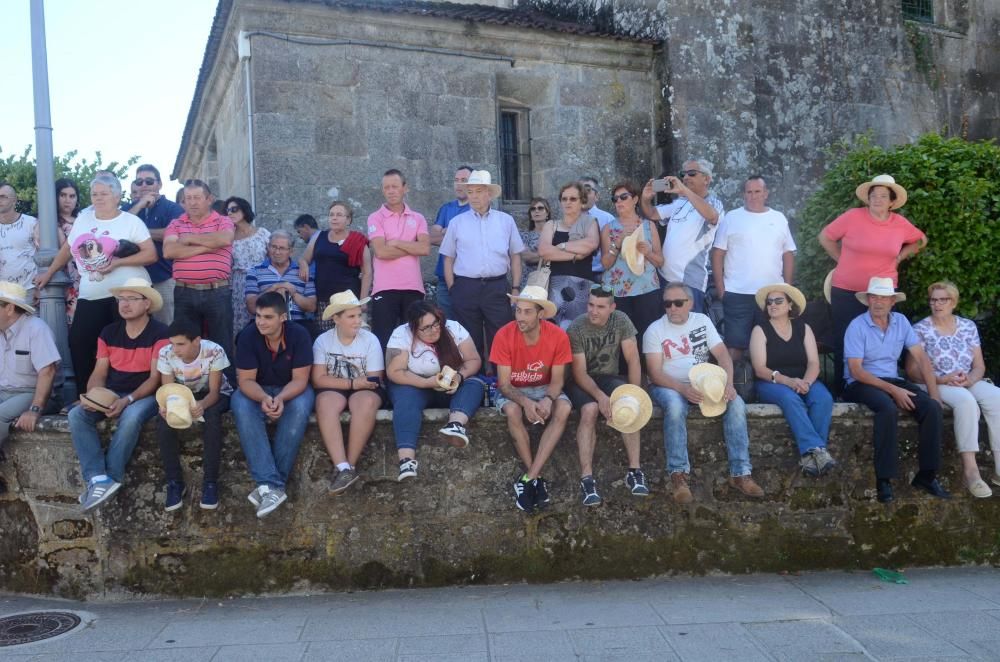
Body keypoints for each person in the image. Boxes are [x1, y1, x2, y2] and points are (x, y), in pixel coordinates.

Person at [35, 174, 157, 397]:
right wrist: (49, 272)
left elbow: (151, 255)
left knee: (124, 344)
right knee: (80, 342)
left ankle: (124, 395)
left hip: (126, 294)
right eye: (94, 194)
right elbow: (67, 250)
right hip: (91, 293)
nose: (99, 198)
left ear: (117, 196)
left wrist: (118, 262)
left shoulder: (131, 222)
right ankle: (87, 396)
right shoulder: (84, 219)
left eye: (104, 194)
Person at [644, 281, 764, 503]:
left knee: (736, 403)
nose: (672, 308)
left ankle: (741, 473)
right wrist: (682, 389)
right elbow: (654, 372)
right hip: (668, 385)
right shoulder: (655, 330)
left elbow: (723, 356)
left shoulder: (703, 321)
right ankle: (678, 475)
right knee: (675, 405)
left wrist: (728, 384)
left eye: (678, 303)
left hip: (704, 382)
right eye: (668, 304)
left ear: (689, 303)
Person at [842, 277, 947, 504]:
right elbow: (856, 371)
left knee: (931, 407)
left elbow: (922, 359)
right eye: (874, 297)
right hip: (860, 383)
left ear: (892, 301)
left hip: (892, 380)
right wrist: (893, 390)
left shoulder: (901, 322)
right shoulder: (857, 326)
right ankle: (884, 480)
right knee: (886, 407)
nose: (878, 302)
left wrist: (935, 394)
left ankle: (927, 475)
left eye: (883, 298)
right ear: (867, 300)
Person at [68, 278, 169, 512]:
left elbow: (155, 379)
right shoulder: (109, 332)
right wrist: (93, 396)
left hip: (145, 395)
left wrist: (127, 400)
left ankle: (112, 476)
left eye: (132, 298)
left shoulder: (160, 333)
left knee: (131, 416)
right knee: (76, 415)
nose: (125, 304)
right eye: (121, 299)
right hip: (114, 391)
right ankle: (97, 479)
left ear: (147, 304)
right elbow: (100, 371)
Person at [818, 175, 926, 394]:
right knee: (844, 341)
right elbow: (825, 237)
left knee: (884, 340)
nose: (877, 199)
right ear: (867, 198)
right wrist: (842, 260)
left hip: (883, 293)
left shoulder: (900, 223)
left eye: (883, 196)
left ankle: (886, 388)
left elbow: (921, 240)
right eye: (873, 195)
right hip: (847, 290)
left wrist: (899, 257)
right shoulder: (852, 217)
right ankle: (843, 391)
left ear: (892, 202)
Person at [909, 281, 1000, 498]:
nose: (937, 304)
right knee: (966, 401)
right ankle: (971, 471)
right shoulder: (920, 329)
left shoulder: (968, 326)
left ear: (954, 302)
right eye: (933, 300)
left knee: (997, 397)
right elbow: (912, 371)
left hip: (966, 380)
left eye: (943, 299)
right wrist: (942, 379)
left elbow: (979, 365)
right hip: (936, 382)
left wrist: (970, 379)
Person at [489, 286, 573, 512]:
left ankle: (528, 479)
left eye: (527, 312)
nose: (520, 317)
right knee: (513, 412)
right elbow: (504, 385)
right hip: (514, 389)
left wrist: (547, 399)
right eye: (518, 311)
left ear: (541, 314)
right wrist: (526, 403)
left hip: (544, 387)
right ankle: (535, 479)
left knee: (563, 409)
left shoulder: (558, 336)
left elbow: (557, 381)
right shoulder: (504, 334)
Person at [232, 291, 315, 518]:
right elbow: (245, 380)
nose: (261, 321)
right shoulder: (248, 335)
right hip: (257, 389)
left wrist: (280, 398)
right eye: (258, 316)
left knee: (299, 407)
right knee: (239, 403)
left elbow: (300, 380)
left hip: (290, 388)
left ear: (283, 318)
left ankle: (268, 486)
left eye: (268, 317)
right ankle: (273, 485)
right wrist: (263, 399)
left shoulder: (299, 335)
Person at [567, 285, 647, 505]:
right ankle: (587, 478)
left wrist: (635, 392)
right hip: (580, 381)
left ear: (612, 307)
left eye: (600, 307)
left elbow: (633, 359)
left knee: (628, 402)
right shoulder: (577, 327)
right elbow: (579, 373)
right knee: (590, 409)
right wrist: (601, 397)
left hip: (608, 376)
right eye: (591, 305)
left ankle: (635, 471)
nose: (593, 311)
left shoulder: (620, 320)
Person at [386, 301, 485, 481]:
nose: (434, 330)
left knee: (475, 384)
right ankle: (406, 460)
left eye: (435, 323)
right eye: (426, 328)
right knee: (405, 400)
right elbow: (395, 372)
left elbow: (473, 360)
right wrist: (426, 383)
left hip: (451, 385)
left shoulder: (454, 328)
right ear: (414, 330)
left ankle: (455, 425)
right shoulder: (401, 335)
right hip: (416, 384)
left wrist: (459, 377)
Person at [748, 284, 835, 476]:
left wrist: (806, 383)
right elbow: (760, 369)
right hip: (772, 381)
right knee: (790, 399)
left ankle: (810, 457)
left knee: (823, 399)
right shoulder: (759, 330)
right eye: (769, 302)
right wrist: (789, 381)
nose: (773, 305)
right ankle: (817, 450)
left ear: (790, 305)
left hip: (804, 378)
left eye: (778, 301)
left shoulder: (803, 328)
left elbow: (814, 362)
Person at [440, 169, 524, 363]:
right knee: (469, 338)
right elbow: (448, 258)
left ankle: (499, 384)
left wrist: (516, 287)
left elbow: (515, 256)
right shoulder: (456, 223)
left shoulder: (506, 221)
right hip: (466, 287)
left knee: (500, 337)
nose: (474, 196)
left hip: (497, 287)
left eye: (479, 191)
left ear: (489, 194)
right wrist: (453, 288)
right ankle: (474, 383)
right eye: (470, 192)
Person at [711, 176, 796, 360]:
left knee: (772, 346)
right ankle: (735, 387)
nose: (753, 196)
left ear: (766, 193)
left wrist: (787, 288)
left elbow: (788, 253)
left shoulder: (778, 218)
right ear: (744, 194)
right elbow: (718, 253)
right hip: (737, 293)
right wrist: (721, 289)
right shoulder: (732, 218)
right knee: (735, 346)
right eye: (749, 192)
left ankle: (769, 386)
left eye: (757, 191)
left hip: (771, 294)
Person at [312, 291, 385, 494]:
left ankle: (349, 467)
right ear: (336, 319)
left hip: (363, 389)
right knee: (325, 403)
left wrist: (355, 384)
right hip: (340, 387)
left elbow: (373, 380)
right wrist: (353, 383)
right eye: (351, 317)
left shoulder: (370, 340)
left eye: (359, 315)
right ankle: (341, 465)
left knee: (365, 403)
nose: (358, 321)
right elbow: (318, 379)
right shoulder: (323, 341)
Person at [155, 319, 233, 511]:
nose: (175, 349)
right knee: (163, 422)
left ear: (197, 340)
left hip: (216, 394)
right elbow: (169, 390)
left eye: (181, 344)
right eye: (172, 343)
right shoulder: (165, 353)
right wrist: (165, 406)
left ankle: (210, 483)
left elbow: (214, 392)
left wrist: (202, 405)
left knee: (212, 418)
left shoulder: (214, 351)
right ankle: (174, 482)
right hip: (181, 394)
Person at [163, 179, 235, 382]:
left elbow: (225, 239)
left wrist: (188, 240)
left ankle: (226, 390)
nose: (192, 203)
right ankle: (189, 386)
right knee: (185, 343)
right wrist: (207, 246)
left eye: (197, 198)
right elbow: (169, 250)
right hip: (185, 291)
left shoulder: (222, 221)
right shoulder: (176, 224)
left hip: (217, 291)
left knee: (221, 344)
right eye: (188, 198)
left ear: (209, 199)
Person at [640, 159, 724, 314]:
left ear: (707, 179)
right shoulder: (679, 203)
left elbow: (713, 216)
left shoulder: (714, 203)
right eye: (682, 174)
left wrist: (685, 191)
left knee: (689, 332)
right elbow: (652, 213)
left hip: (690, 281)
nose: (685, 178)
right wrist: (645, 199)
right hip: (665, 278)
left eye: (691, 173)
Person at [367, 169, 430, 346]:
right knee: (383, 339)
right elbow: (381, 252)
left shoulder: (418, 218)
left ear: (405, 188)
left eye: (395, 186)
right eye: (386, 187)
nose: (391, 191)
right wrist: (412, 247)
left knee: (414, 340)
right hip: (384, 289)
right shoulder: (375, 218)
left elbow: (425, 248)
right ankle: (383, 375)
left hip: (413, 288)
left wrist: (395, 242)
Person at [0, 282, 61, 456]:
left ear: (10, 308)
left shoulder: (36, 328)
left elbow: (48, 371)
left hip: (31, 393)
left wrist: (34, 409)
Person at [599, 181, 663, 342]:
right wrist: (617, 243)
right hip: (618, 292)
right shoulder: (608, 228)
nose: (619, 201)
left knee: (648, 337)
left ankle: (646, 368)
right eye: (615, 199)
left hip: (646, 288)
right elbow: (605, 264)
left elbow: (660, 261)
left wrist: (648, 252)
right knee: (620, 338)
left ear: (635, 199)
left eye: (623, 197)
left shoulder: (649, 226)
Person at [125, 164, 186, 324]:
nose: (144, 185)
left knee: (166, 327)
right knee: (134, 326)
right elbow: (120, 229)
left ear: (159, 184)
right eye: (139, 182)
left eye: (149, 181)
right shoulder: (129, 208)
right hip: (132, 280)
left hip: (163, 278)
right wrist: (139, 205)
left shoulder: (173, 208)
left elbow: (174, 235)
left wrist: (138, 234)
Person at [298, 201, 371, 331]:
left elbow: (367, 272)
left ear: (348, 220)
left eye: (339, 214)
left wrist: (363, 301)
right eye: (331, 215)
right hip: (324, 300)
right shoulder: (319, 237)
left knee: (350, 338)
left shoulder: (358, 241)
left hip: (349, 300)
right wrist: (303, 265)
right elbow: (304, 258)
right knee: (325, 339)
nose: (334, 218)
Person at [538, 182, 600, 329]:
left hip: (581, 288)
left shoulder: (590, 223)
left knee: (578, 333)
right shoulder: (551, 225)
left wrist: (562, 246)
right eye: (564, 199)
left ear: (582, 202)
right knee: (553, 332)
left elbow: (591, 244)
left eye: (573, 199)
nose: (568, 202)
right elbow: (544, 251)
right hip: (554, 287)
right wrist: (575, 256)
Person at [245, 230, 317, 337]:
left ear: (291, 251)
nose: (277, 252)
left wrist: (293, 293)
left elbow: (312, 307)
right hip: (264, 323)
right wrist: (274, 288)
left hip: (297, 323)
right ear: (268, 248)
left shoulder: (303, 272)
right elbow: (251, 307)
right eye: (273, 247)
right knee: (243, 336)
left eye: (282, 248)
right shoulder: (254, 271)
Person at [429, 166, 472, 318]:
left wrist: (446, 231)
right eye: (456, 180)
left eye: (464, 180)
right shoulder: (446, 208)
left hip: (467, 279)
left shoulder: (475, 210)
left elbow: (469, 241)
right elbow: (432, 237)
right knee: (447, 326)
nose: (459, 184)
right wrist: (453, 233)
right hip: (443, 279)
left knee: (468, 326)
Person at [227, 196, 270, 335]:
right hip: (240, 285)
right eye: (227, 211)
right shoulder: (228, 238)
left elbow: (273, 255)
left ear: (244, 210)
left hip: (262, 281)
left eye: (234, 209)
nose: (230, 213)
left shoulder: (262, 233)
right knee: (240, 325)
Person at [0, 182, 40, 294]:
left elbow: (43, 255)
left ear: (14, 200)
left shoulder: (31, 223)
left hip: (28, 290)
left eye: (3, 197)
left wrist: (40, 288)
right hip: (2, 295)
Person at [55, 178, 82, 324]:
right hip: (62, 280)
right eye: (63, 195)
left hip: (87, 279)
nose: (67, 200)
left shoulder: (84, 219)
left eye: (72, 196)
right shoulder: (47, 221)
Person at [579, 176, 615, 279]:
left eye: (587, 190)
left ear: (597, 196)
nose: (583, 193)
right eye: (579, 190)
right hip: (574, 275)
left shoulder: (608, 219)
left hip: (601, 276)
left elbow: (615, 250)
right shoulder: (568, 219)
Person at [519, 196, 550, 289]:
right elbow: (527, 257)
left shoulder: (555, 234)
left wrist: (536, 255)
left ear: (547, 213)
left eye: (540, 208)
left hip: (551, 280)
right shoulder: (524, 235)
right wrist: (552, 256)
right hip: (530, 281)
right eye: (533, 209)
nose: (536, 211)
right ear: (530, 215)